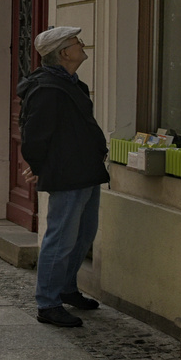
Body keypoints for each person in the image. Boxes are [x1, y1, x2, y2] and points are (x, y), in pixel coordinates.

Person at [19, 25, 108, 328]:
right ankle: (48, 302)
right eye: (76, 42)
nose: (83, 45)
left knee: (83, 233)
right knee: (61, 238)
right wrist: (40, 165)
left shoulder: (72, 84)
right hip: (67, 172)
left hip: (85, 170)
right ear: (64, 53)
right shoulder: (47, 88)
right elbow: (34, 136)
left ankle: (67, 288)